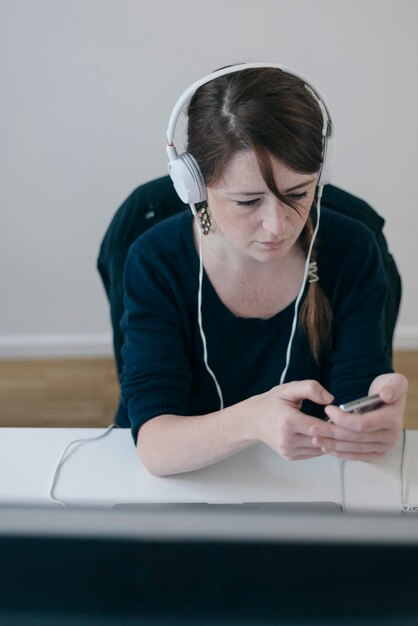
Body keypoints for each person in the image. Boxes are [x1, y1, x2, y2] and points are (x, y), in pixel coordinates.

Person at [119, 64, 408, 477]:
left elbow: (355, 394)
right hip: (195, 478)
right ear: (194, 187)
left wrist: (372, 420)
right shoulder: (156, 260)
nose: (278, 226)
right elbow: (156, 447)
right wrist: (253, 420)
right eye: (247, 201)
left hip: (310, 475)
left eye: (298, 193)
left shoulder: (351, 250)